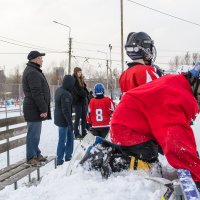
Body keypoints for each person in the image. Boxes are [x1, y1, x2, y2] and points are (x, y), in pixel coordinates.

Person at [109, 61, 200, 188]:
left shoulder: (177, 84)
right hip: (129, 129)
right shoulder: (178, 96)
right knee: (149, 168)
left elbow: (179, 135)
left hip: (130, 123)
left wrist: (192, 159)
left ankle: (120, 154)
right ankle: (112, 162)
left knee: (155, 158)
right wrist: (197, 174)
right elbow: (176, 142)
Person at [22, 50, 51, 166]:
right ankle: (31, 157)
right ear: (35, 59)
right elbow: (36, 93)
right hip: (33, 108)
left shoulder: (33, 70)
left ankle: (36, 153)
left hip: (34, 108)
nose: (42, 59)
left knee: (36, 133)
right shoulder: (32, 72)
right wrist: (43, 109)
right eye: (40, 58)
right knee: (33, 133)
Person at [54, 75, 75, 166]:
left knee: (66, 138)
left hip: (59, 119)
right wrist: (70, 124)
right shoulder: (65, 94)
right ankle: (61, 159)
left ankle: (67, 156)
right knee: (65, 139)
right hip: (64, 121)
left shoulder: (59, 90)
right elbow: (65, 110)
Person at [72, 67, 89, 139]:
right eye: (78, 72)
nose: (80, 73)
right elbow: (78, 91)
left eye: (80, 72)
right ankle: (76, 133)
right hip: (77, 102)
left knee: (84, 117)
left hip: (83, 101)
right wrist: (85, 93)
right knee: (77, 118)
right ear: (75, 72)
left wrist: (86, 93)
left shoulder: (81, 80)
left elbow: (85, 90)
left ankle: (84, 132)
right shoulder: (74, 80)